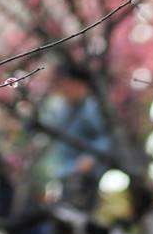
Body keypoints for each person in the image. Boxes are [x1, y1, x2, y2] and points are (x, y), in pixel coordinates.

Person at [41, 63, 114, 218]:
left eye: (69, 85)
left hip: (84, 175)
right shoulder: (61, 109)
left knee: (78, 217)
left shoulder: (90, 108)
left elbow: (105, 138)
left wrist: (91, 157)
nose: (65, 89)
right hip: (63, 172)